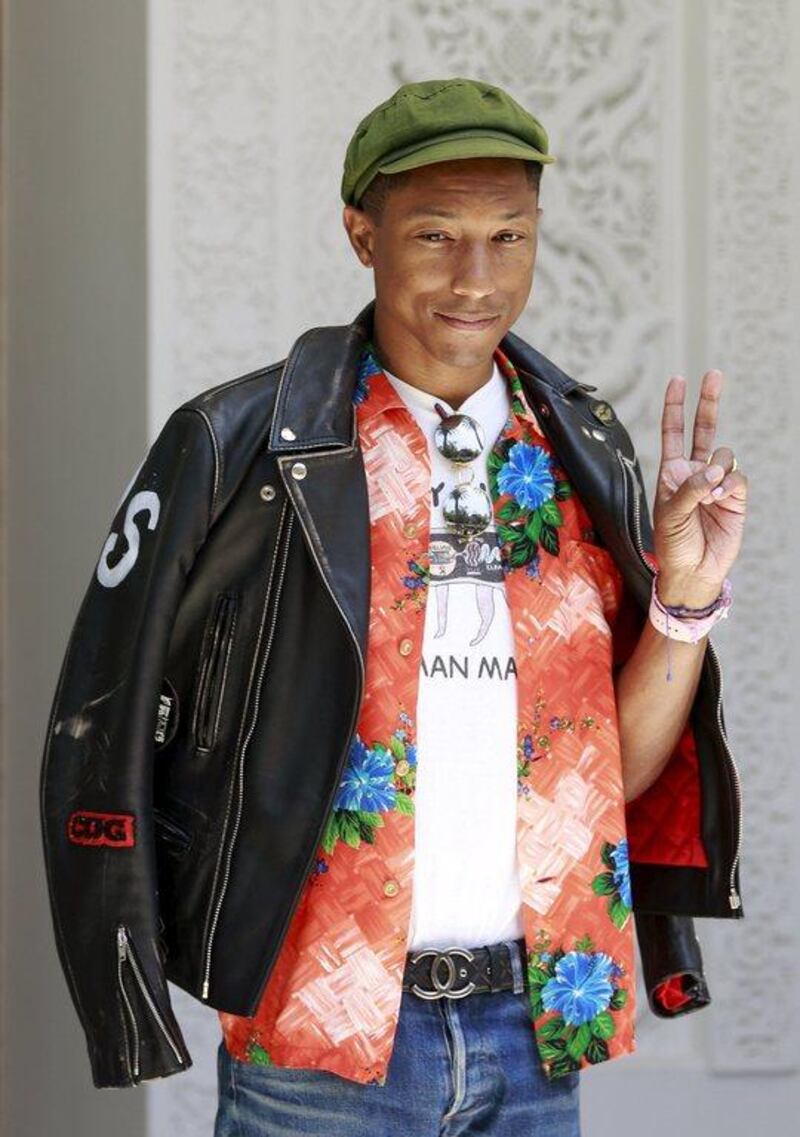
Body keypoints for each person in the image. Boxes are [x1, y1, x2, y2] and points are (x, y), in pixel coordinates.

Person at [38, 77, 746, 1136]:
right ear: (360, 235)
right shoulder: (243, 444)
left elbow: (610, 774)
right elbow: (98, 718)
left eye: (507, 236)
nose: (476, 277)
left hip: (533, 1038)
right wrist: (124, 990)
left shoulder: (578, 448)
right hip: (322, 1042)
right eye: (435, 234)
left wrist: (683, 604)